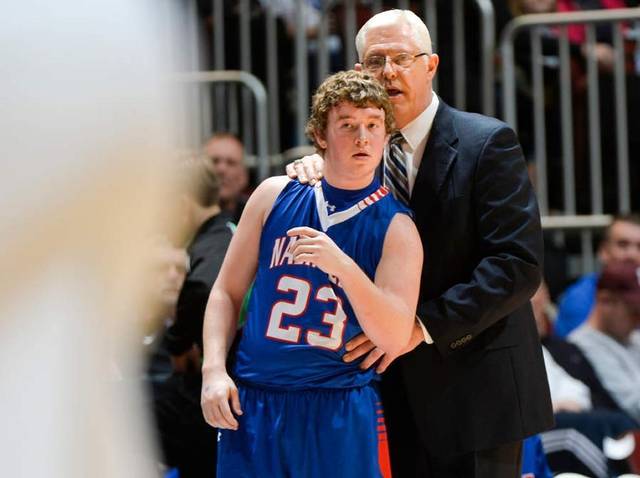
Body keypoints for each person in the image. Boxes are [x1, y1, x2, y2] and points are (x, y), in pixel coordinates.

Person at [287, 9, 553, 477]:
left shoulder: (487, 142)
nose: (388, 72)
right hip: (386, 389)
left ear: (430, 65)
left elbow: (516, 265)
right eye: (374, 61)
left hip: (476, 388)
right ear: (357, 73)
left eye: (402, 58)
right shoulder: (352, 157)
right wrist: (314, 169)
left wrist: (418, 327)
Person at [200, 70, 423, 477]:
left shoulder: (398, 228)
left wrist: (341, 266)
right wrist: (213, 370)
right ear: (320, 135)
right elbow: (226, 292)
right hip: (255, 401)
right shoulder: (273, 194)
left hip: (338, 406)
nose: (362, 138)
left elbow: (393, 335)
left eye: (374, 125)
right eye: (348, 125)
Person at [148, 159, 235, 478]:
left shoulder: (210, 248)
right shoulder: (230, 229)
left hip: (230, 386)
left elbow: (204, 289)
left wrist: (179, 344)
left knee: (141, 406)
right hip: (239, 379)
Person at [569, 261, 640, 425]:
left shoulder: (632, 337)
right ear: (605, 300)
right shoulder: (581, 345)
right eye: (634, 311)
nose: (638, 320)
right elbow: (635, 406)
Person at [555, 214, 640, 338]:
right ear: (603, 251)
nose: (632, 254)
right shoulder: (579, 298)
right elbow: (580, 353)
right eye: (622, 244)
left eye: (639, 247)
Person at [203, 133, 249, 223]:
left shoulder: (257, 216)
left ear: (244, 175)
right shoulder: (183, 217)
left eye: (231, 163)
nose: (222, 169)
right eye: (214, 161)